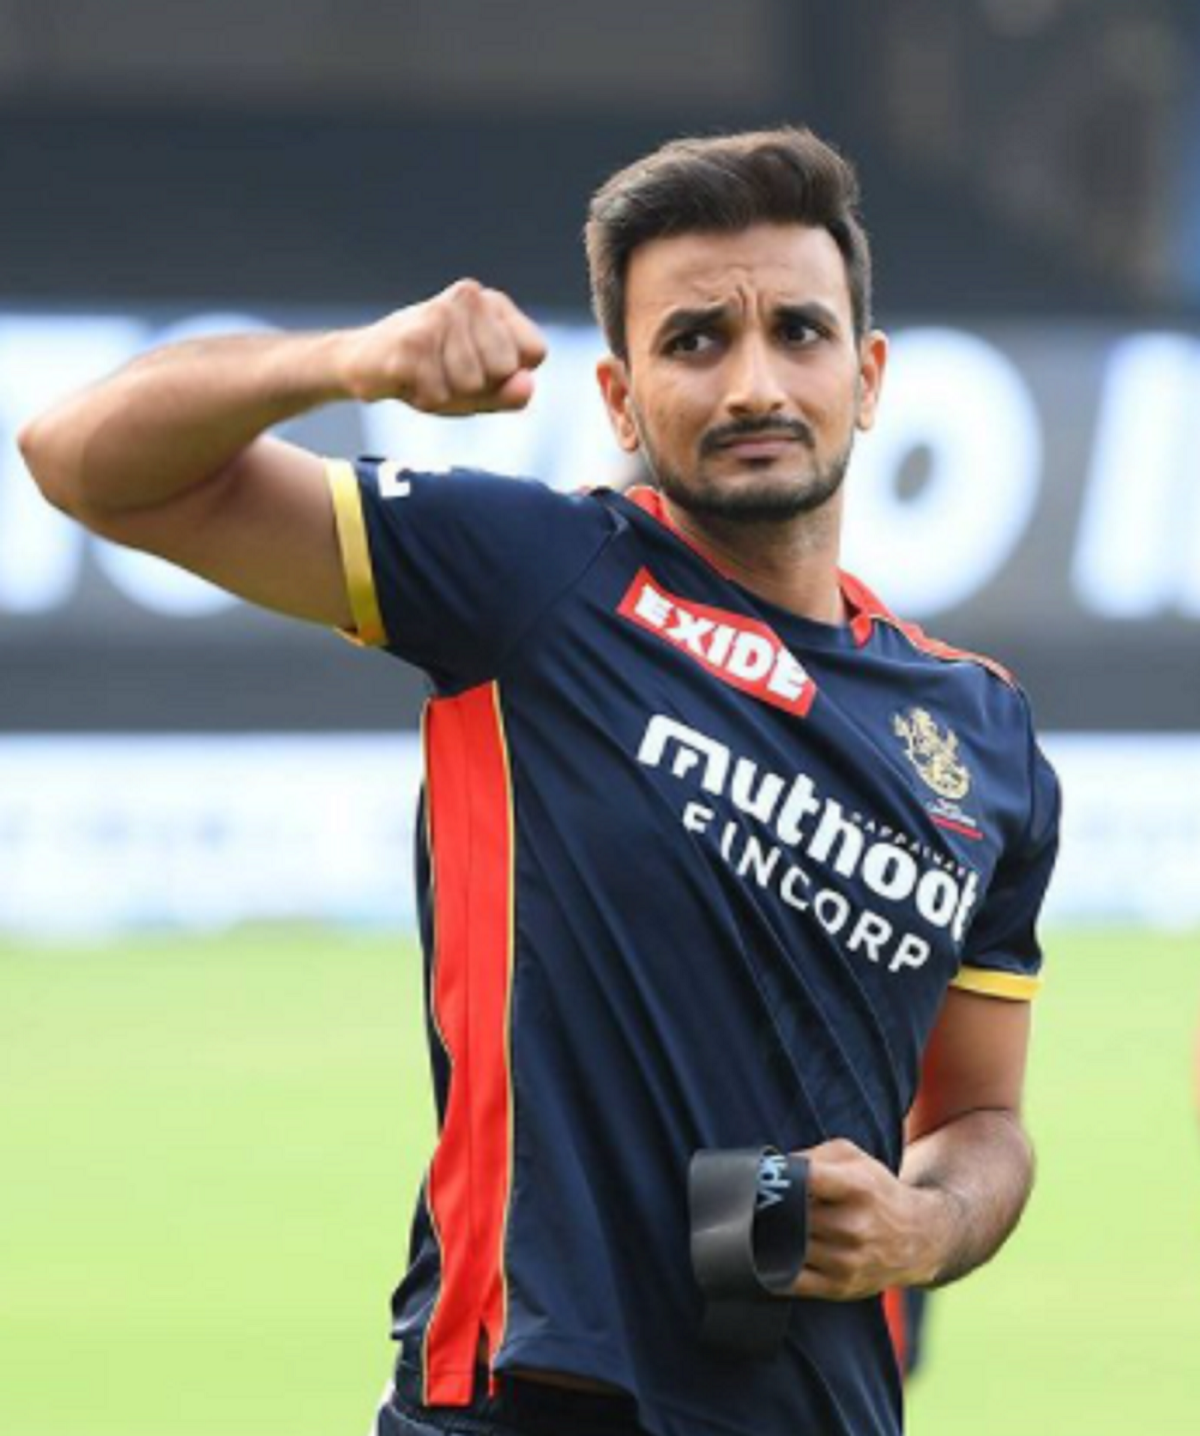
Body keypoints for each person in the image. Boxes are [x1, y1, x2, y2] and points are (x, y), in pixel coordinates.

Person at [19, 126, 1060, 1436]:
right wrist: (346, 363)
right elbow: (78, 457)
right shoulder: (535, 580)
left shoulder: (987, 738)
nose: (753, 383)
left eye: (798, 331)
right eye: (694, 341)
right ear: (621, 401)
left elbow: (983, 1120)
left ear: (870, 372)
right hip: (525, 1406)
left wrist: (926, 1220)